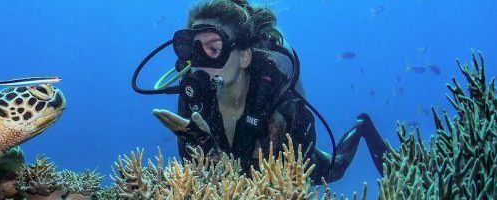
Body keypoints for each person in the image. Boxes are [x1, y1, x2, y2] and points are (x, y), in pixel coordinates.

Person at [132, 0, 391, 183]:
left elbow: (258, 177)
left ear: (244, 57)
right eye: (193, 48)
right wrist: (196, 141)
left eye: (213, 48)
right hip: (238, 165)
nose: (200, 60)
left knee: (334, 171)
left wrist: (206, 144)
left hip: (288, 156)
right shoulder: (193, 95)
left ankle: (361, 126)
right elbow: (199, 175)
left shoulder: (273, 96)